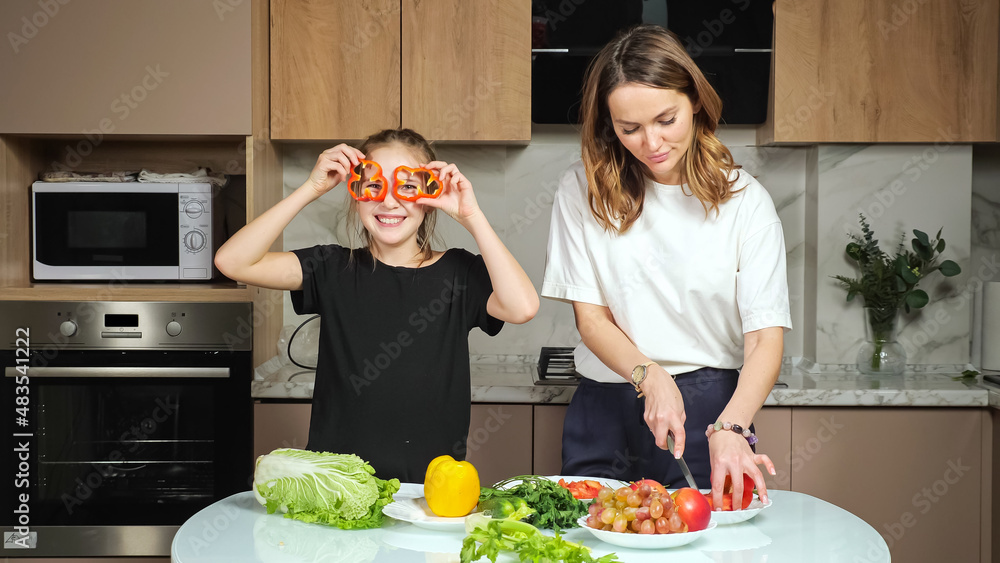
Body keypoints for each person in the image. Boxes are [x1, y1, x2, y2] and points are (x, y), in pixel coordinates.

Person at [541, 25, 790, 509]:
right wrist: (650, 376)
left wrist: (732, 426)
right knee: (590, 546)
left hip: (711, 405)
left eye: (665, 119)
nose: (650, 142)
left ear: (694, 100)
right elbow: (591, 319)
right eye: (628, 128)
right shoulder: (582, 190)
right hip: (607, 401)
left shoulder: (745, 201)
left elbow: (764, 338)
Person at [215, 128, 539, 482]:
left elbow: (522, 307)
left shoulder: (460, 273)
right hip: (338, 485)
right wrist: (311, 189)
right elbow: (233, 262)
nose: (387, 202)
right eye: (373, 186)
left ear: (430, 196)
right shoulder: (331, 267)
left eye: (406, 187)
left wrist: (472, 217)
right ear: (354, 193)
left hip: (428, 488)